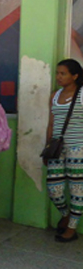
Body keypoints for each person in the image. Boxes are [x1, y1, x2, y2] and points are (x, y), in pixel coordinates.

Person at [46, 59, 83, 243]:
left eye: (63, 73)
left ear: (75, 76)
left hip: (79, 149)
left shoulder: (82, 94)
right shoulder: (55, 95)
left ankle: (71, 228)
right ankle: (65, 214)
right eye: (57, 73)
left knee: (77, 189)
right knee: (54, 188)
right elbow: (51, 123)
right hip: (57, 148)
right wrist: (47, 146)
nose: (58, 77)